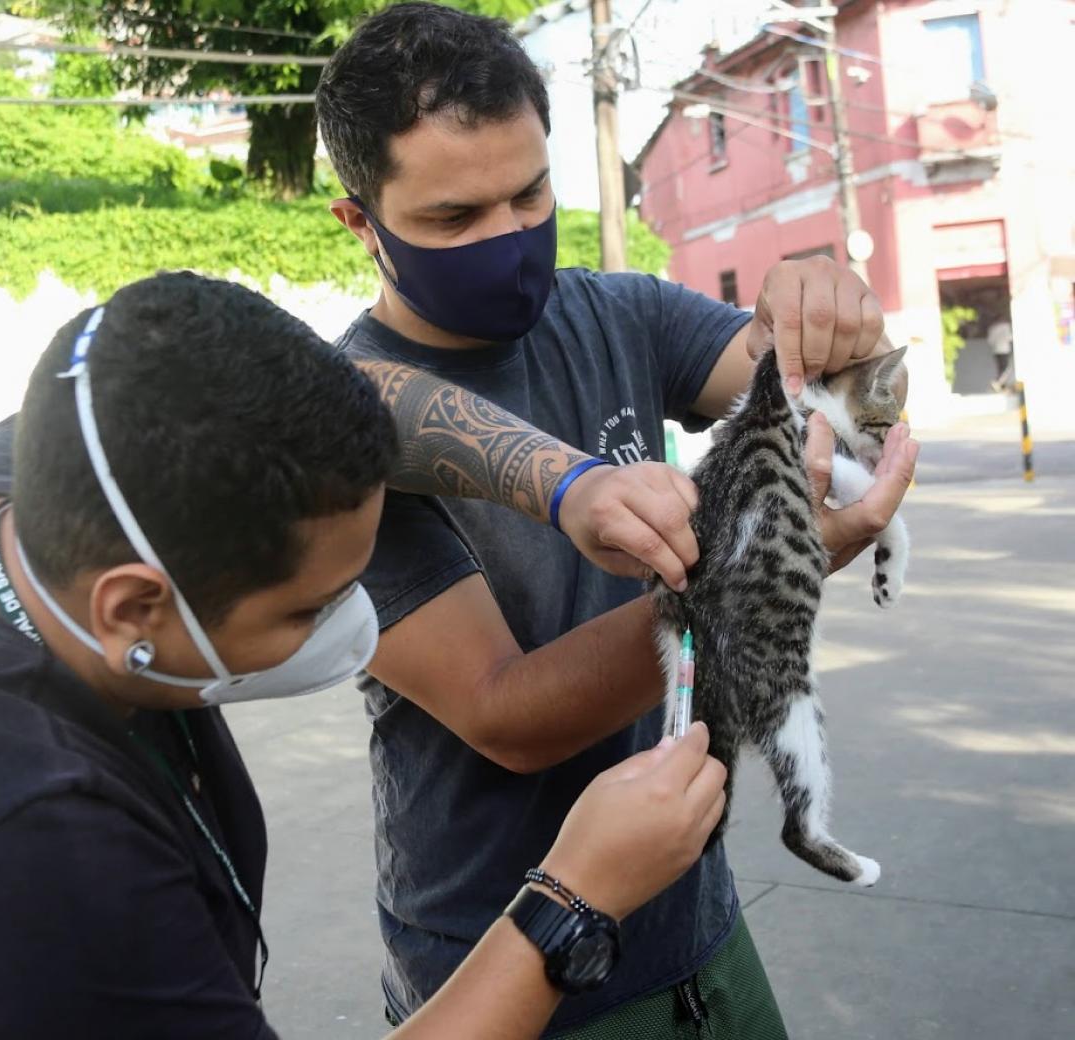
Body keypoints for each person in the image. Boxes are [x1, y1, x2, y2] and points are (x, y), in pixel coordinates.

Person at [0, 272, 728, 1038]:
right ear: (133, 602)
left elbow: (358, 393)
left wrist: (564, 485)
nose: (347, 627)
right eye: (307, 606)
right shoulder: (29, 854)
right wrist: (570, 900)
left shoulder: (56, 469)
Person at [315, 4, 921, 1036]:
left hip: (694, 919)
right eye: (454, 219)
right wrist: (739, 587)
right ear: (359, 220)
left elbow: (807, 381)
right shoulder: (339, 423)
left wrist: (829, 321)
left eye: (530, 193)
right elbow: (507, 715)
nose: (508, 238)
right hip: (506, 957)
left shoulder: (613, 310)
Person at [986, 317, 1014, 391]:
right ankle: (997, 383)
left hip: (995, 350)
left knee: (1000, 368)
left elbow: (990, 340)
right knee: (1006, 368)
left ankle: (1002, 387)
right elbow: (1009, 337)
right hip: (1004, 349)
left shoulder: (992, 328)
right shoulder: (1005, 326)